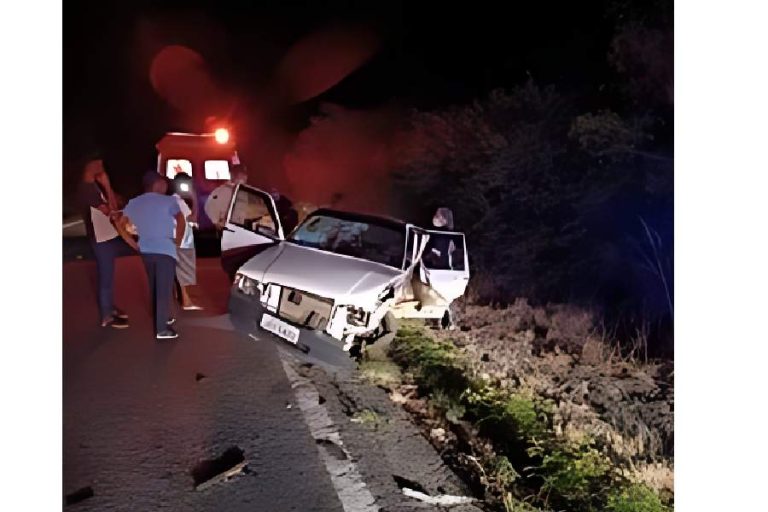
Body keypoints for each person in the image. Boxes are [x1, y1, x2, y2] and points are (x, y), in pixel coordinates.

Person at [117, 172, 186, 340]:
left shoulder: (134, 203)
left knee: (154, 285)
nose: (165, 186)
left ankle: (161, 317)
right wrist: (177, 241)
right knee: (163, 289)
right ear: (156, 184)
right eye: (163, 183)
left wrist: (133, 243)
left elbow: (120, 224)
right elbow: (181, 219)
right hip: (165, 249)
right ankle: (162, 329)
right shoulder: (169, 201)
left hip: (146, 250)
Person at [78, 154, 135, 329]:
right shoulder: (88, 190)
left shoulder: (94, 187)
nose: (102, 169)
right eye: (99, 165)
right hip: (101, 239)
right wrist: (107, 185)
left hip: (107, 236)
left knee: (108, 276)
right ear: (91, 166)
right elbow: (112, 211)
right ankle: (106, 316)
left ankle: (109, 307)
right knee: (106, 277)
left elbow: (116, 205)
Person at [170, 173, 203, 310]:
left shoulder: (171, 200)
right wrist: (194, 197)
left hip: (175, 239)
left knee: (177, 271)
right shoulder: (179, 202)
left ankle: (182, 297)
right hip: (183, 241)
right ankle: (186, 301)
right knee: (182, 272)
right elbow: (194, 218)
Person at [204, 163, 249, 230]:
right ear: (233, 175)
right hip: (227, 231)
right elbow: (208, 207)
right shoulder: (220, 192)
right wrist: (217, 222)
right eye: (240, 175)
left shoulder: (245, 192)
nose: (243, 178)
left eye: (244, 175)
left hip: (243, 230)